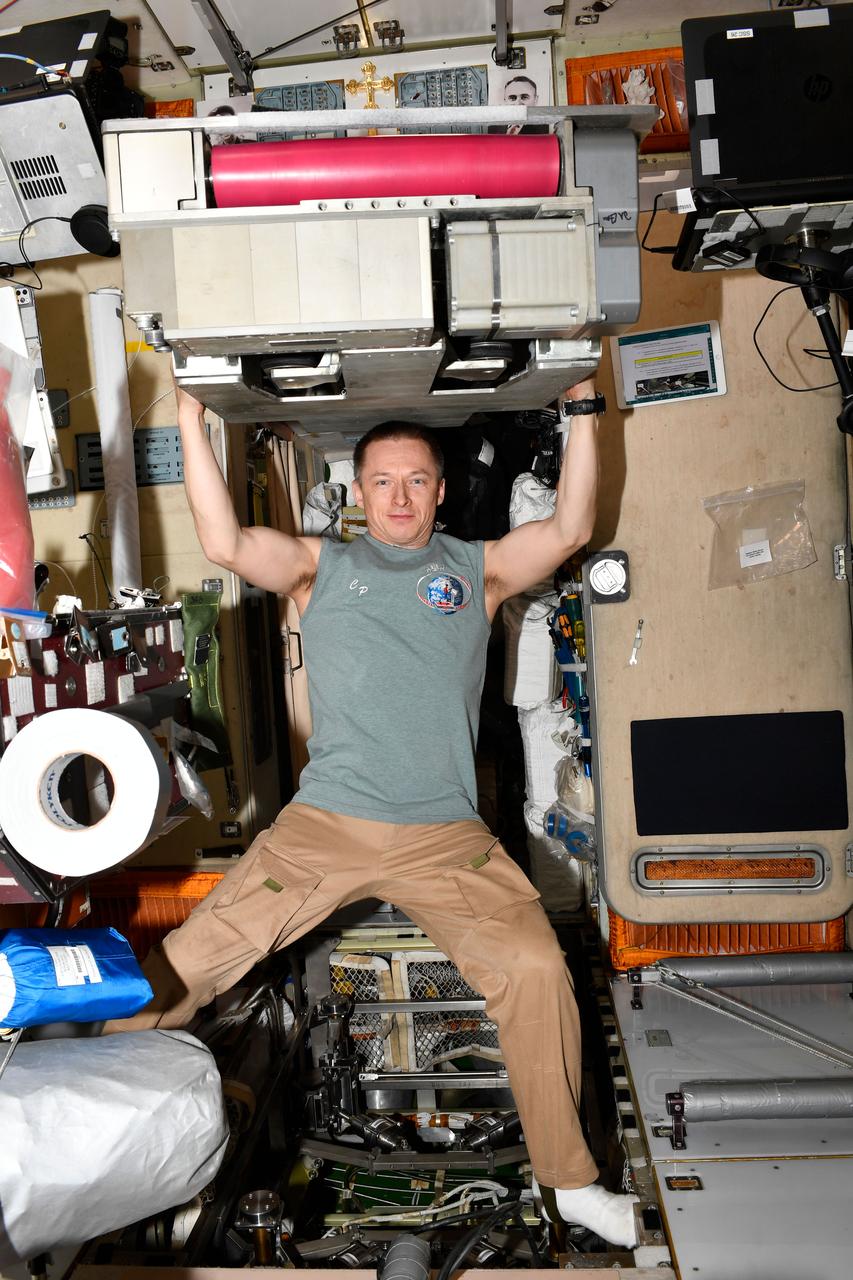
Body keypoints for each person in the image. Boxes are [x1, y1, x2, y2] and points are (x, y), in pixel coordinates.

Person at [107, 378, 638, 1248]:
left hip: (448, 837)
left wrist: (583, 406)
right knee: (186, 964)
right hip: (328, 825)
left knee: (538, 973)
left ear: (438, 489)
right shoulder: (322, 566)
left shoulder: (478, 568)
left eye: (416, 481)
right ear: (359, 492)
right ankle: (68, 1093)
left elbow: (572, 527)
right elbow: (224, 538)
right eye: (383, 481)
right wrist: (187, 421)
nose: (399, 497)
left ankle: (569, 1183)